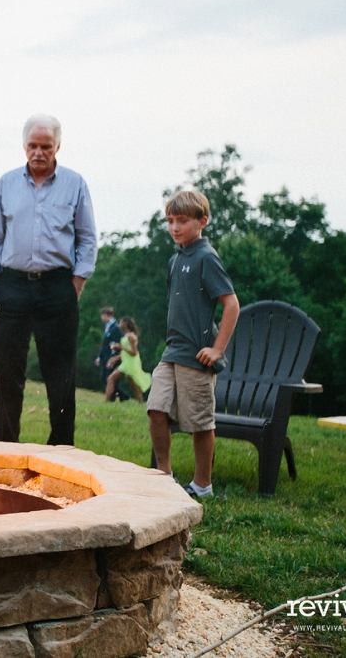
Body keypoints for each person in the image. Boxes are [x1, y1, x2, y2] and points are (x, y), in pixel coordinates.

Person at [0, 113, 97, 446]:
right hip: (11, 286)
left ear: (57, 146)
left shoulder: (75, 184)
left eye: (45, 146)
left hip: (57, 287)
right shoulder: (6, 183)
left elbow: (87, 238)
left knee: (61, 377)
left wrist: (76, 283)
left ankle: (61, 454)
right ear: (24, 146)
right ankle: (4, 451)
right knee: (7, 376)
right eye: (32, 145)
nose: (38, 152)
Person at [147, 191, 239, 498]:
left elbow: (232, 305)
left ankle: (202, 486)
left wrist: (218, 349)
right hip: (171, 352)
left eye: (182, 221)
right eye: (171, 221)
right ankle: (163, 476)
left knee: (200, 423)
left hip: (196, 356)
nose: (175, 227)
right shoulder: (175, 260)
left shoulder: (206, 258)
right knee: (156, 409)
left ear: (202, 221)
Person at [105, 317, 151, 403]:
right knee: (133, 386)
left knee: (112, 379)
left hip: (131, 363)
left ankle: (106, 401)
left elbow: (134, 352)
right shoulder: (126, 335)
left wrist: (120, 347)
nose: (119, 324)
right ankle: (141, 403)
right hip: (126, 363)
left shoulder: (131, 336)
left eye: (121, 322)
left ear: (125, 324)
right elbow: (125, 353)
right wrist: (115, 358)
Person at [96, 307, 123, 392]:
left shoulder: (116, 328)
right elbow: (104, 344)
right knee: (104, 378)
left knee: (110, 379)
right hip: (105, 356)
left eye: (103, 316)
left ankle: (118, 396)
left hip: (111, 357)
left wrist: (113, 358)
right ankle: (121, 395)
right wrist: (99, 357)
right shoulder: (106, 327)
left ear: (108, 316)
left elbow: (116, 344)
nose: (102, 318)